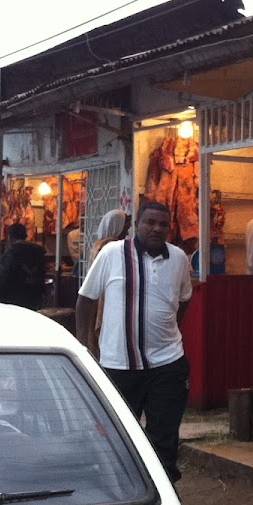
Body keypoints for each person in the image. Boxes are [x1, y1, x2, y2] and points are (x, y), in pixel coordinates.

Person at [76, 201, 193, 484]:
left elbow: (185, 299)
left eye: (163, 224)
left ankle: (163, 494)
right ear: (136, 224)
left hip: (167, 365)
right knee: (118, 434)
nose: (156, 228)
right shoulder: (112, 254)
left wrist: (168, 331)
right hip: (119, 365)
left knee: (164, 436)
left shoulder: (179, 259)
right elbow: (86, 300)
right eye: (150, 222)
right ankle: (123, 491)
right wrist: (85, 347)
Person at [83, 210, 131, 359]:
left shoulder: (99, 244)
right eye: (126, 226)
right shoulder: (111, 246)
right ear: (117, 226)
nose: (128, 231)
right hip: (105, 298)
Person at [0, 223, 48, 310]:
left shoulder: (11, 253)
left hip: (13, 298)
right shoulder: (38, 252)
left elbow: (4, 277)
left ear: (9, 237)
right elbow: (42, 273)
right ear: (25, 235)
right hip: (34, 297)